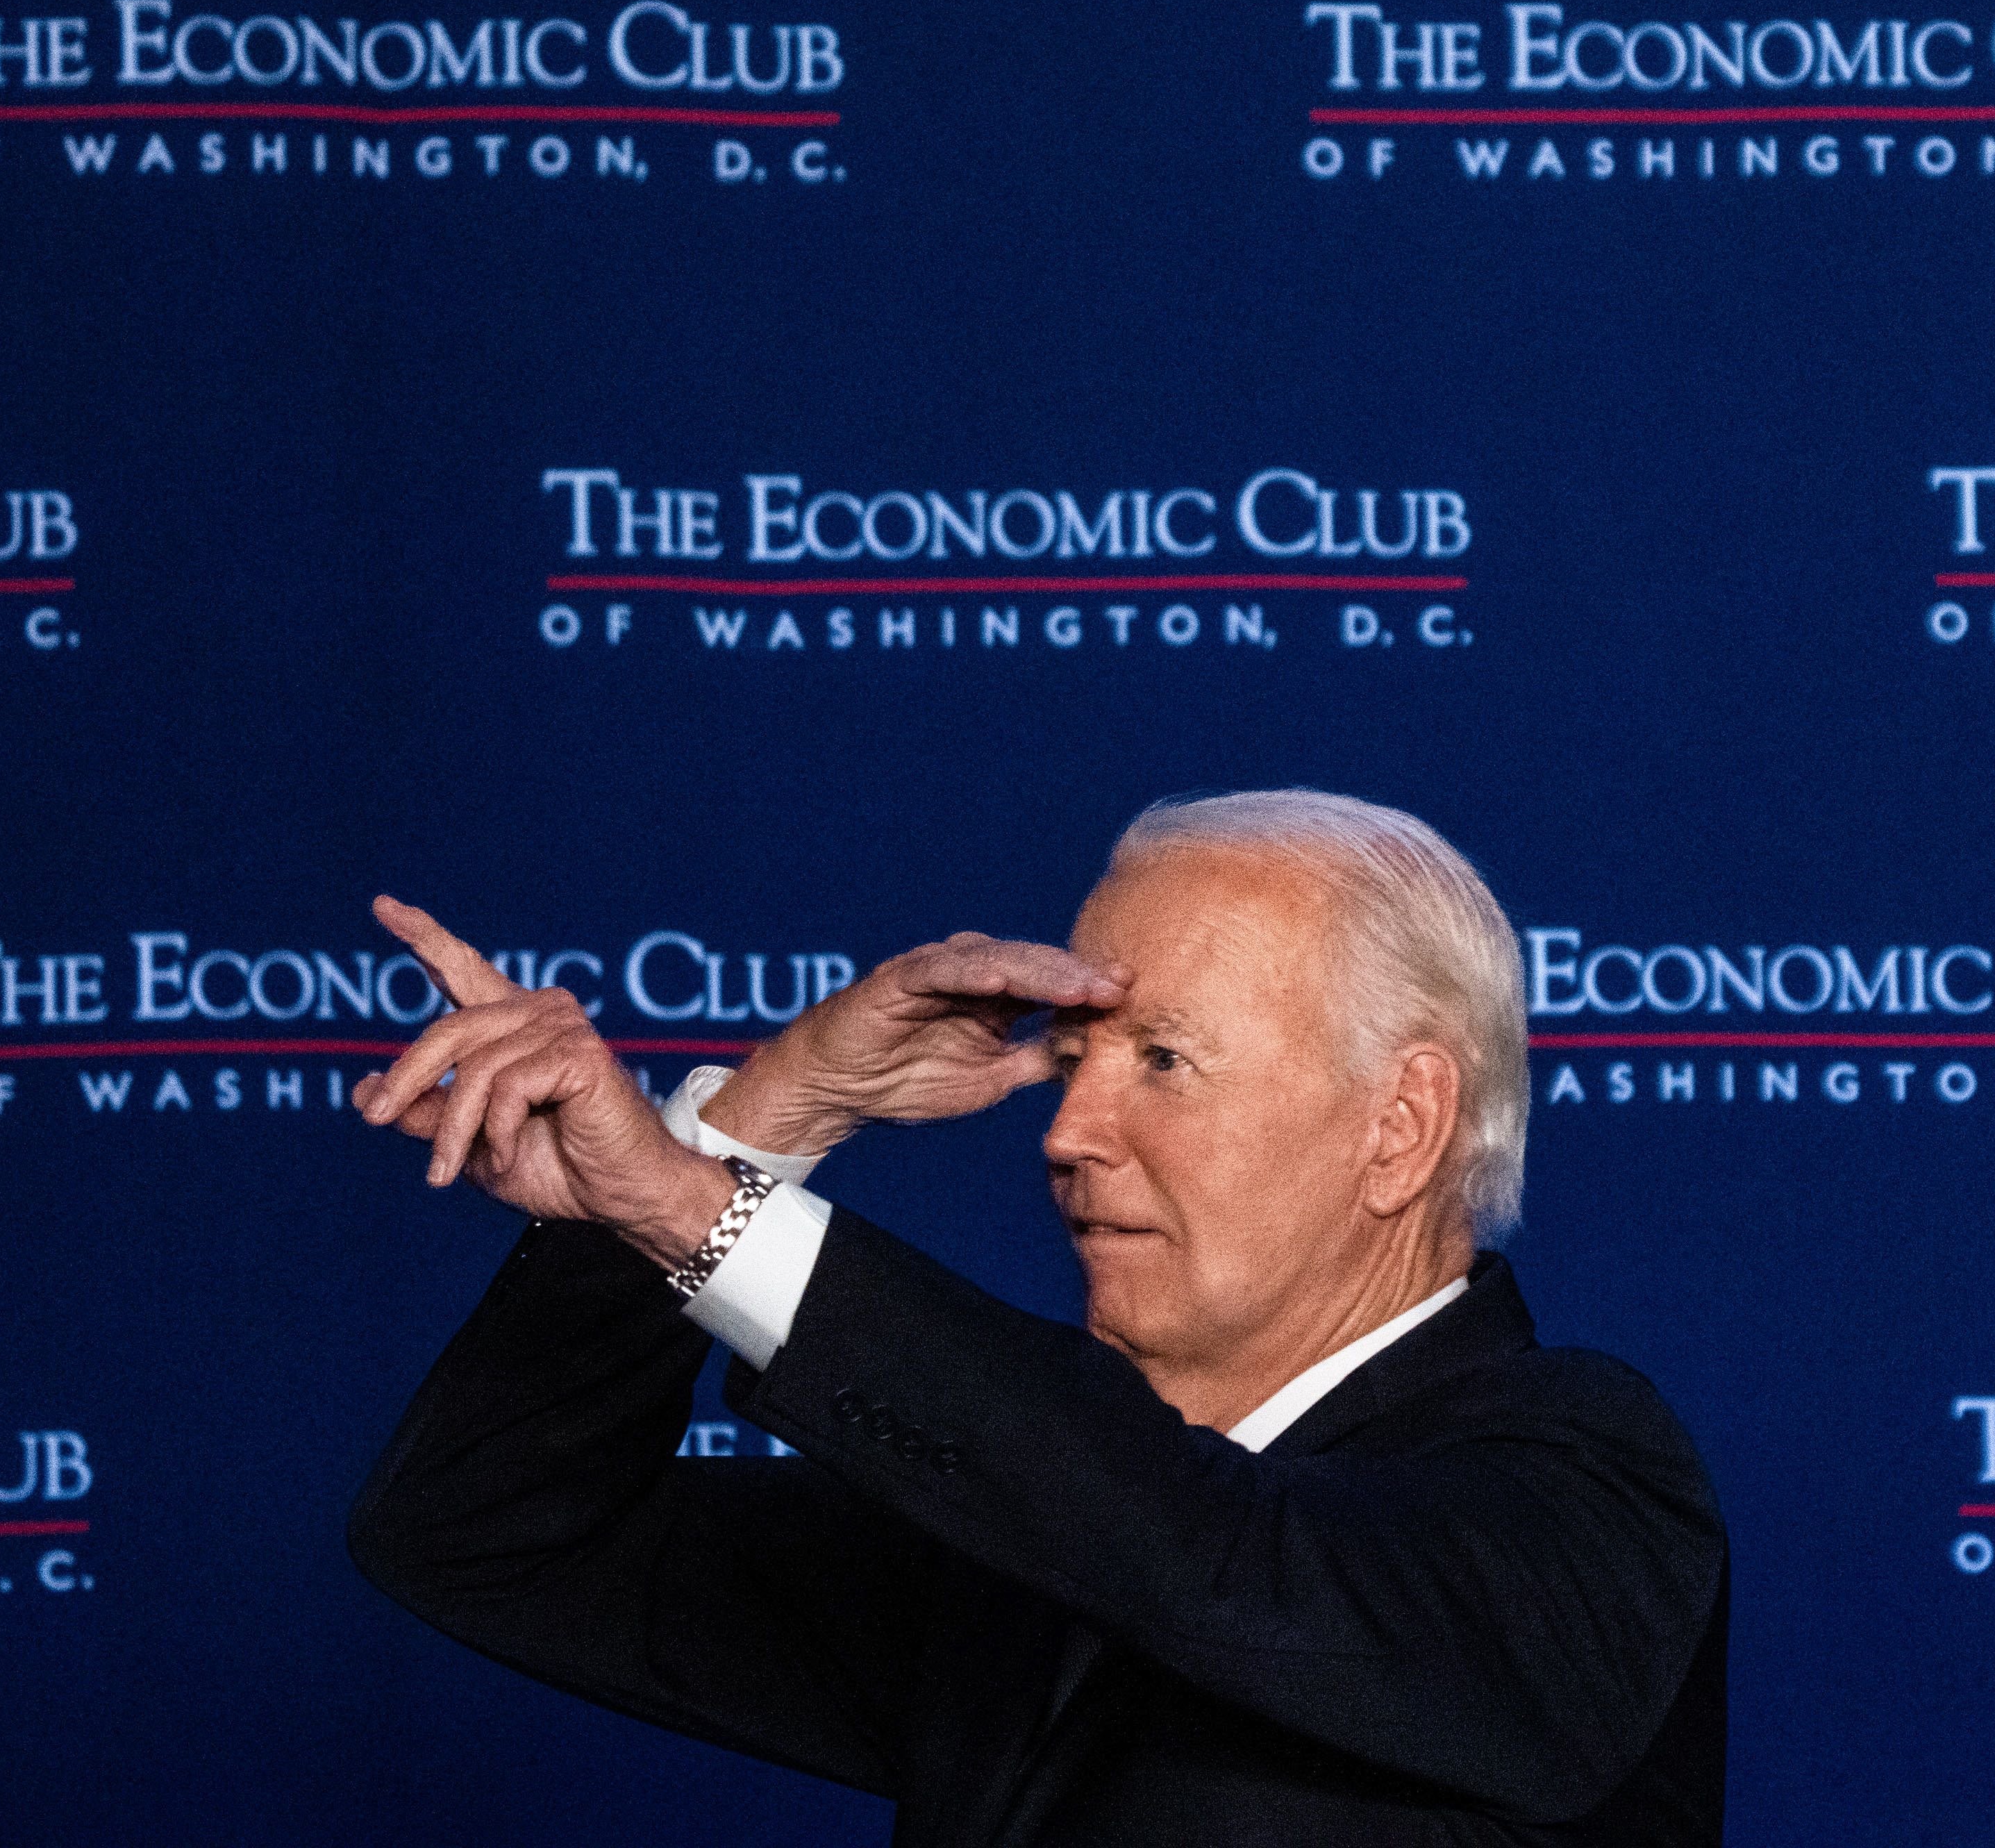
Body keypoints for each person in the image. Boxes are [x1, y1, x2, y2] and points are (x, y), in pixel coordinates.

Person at [346, 788, 1726, 1845]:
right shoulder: (1021, 1543)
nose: (1069, 1129)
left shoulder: (1585, 1486)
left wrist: (693, 1205)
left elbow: (1209, 1551)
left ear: (1399, 1123)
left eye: (1164, 1059)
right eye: (1071, 1058)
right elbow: (480, 1530)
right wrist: (763, 1119)